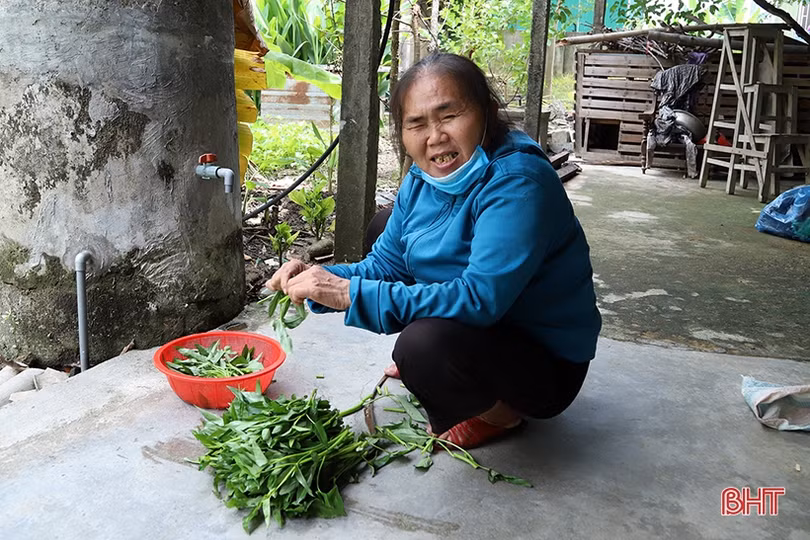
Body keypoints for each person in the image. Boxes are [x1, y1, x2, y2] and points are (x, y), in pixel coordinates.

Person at [266, 52, 601, 449]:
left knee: (423, 348)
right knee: (384, 227)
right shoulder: (423, 179)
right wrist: (322, 279)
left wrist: (348, 294)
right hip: (492, 327)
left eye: (449, 115)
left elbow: (480, 298)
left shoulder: (519, 184)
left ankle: (500, 415)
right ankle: (447, 360)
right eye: (417, 124)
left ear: (487, 113)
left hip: (544, 363)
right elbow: (387, 264)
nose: (435, 137)